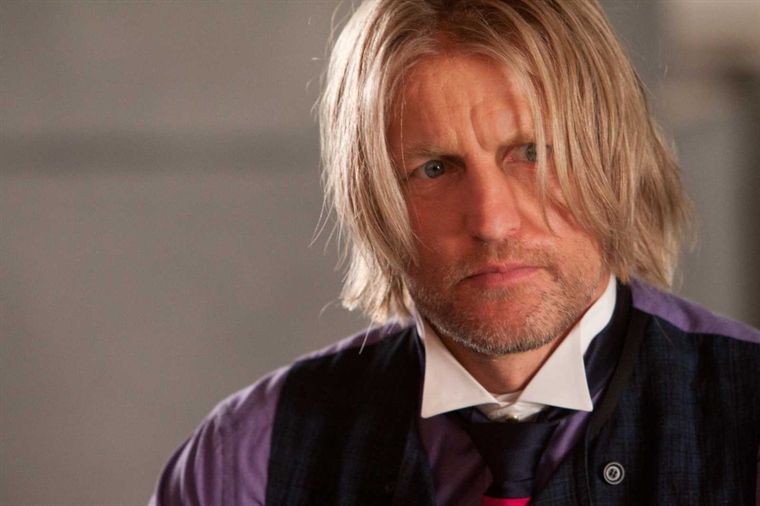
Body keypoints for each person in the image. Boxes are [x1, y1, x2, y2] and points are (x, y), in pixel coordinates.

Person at [150, 1, 760, 504]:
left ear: (614, 158)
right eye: (435, 169)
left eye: (533, 153)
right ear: (372, 200)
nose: (492, 222)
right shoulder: (245, 462)